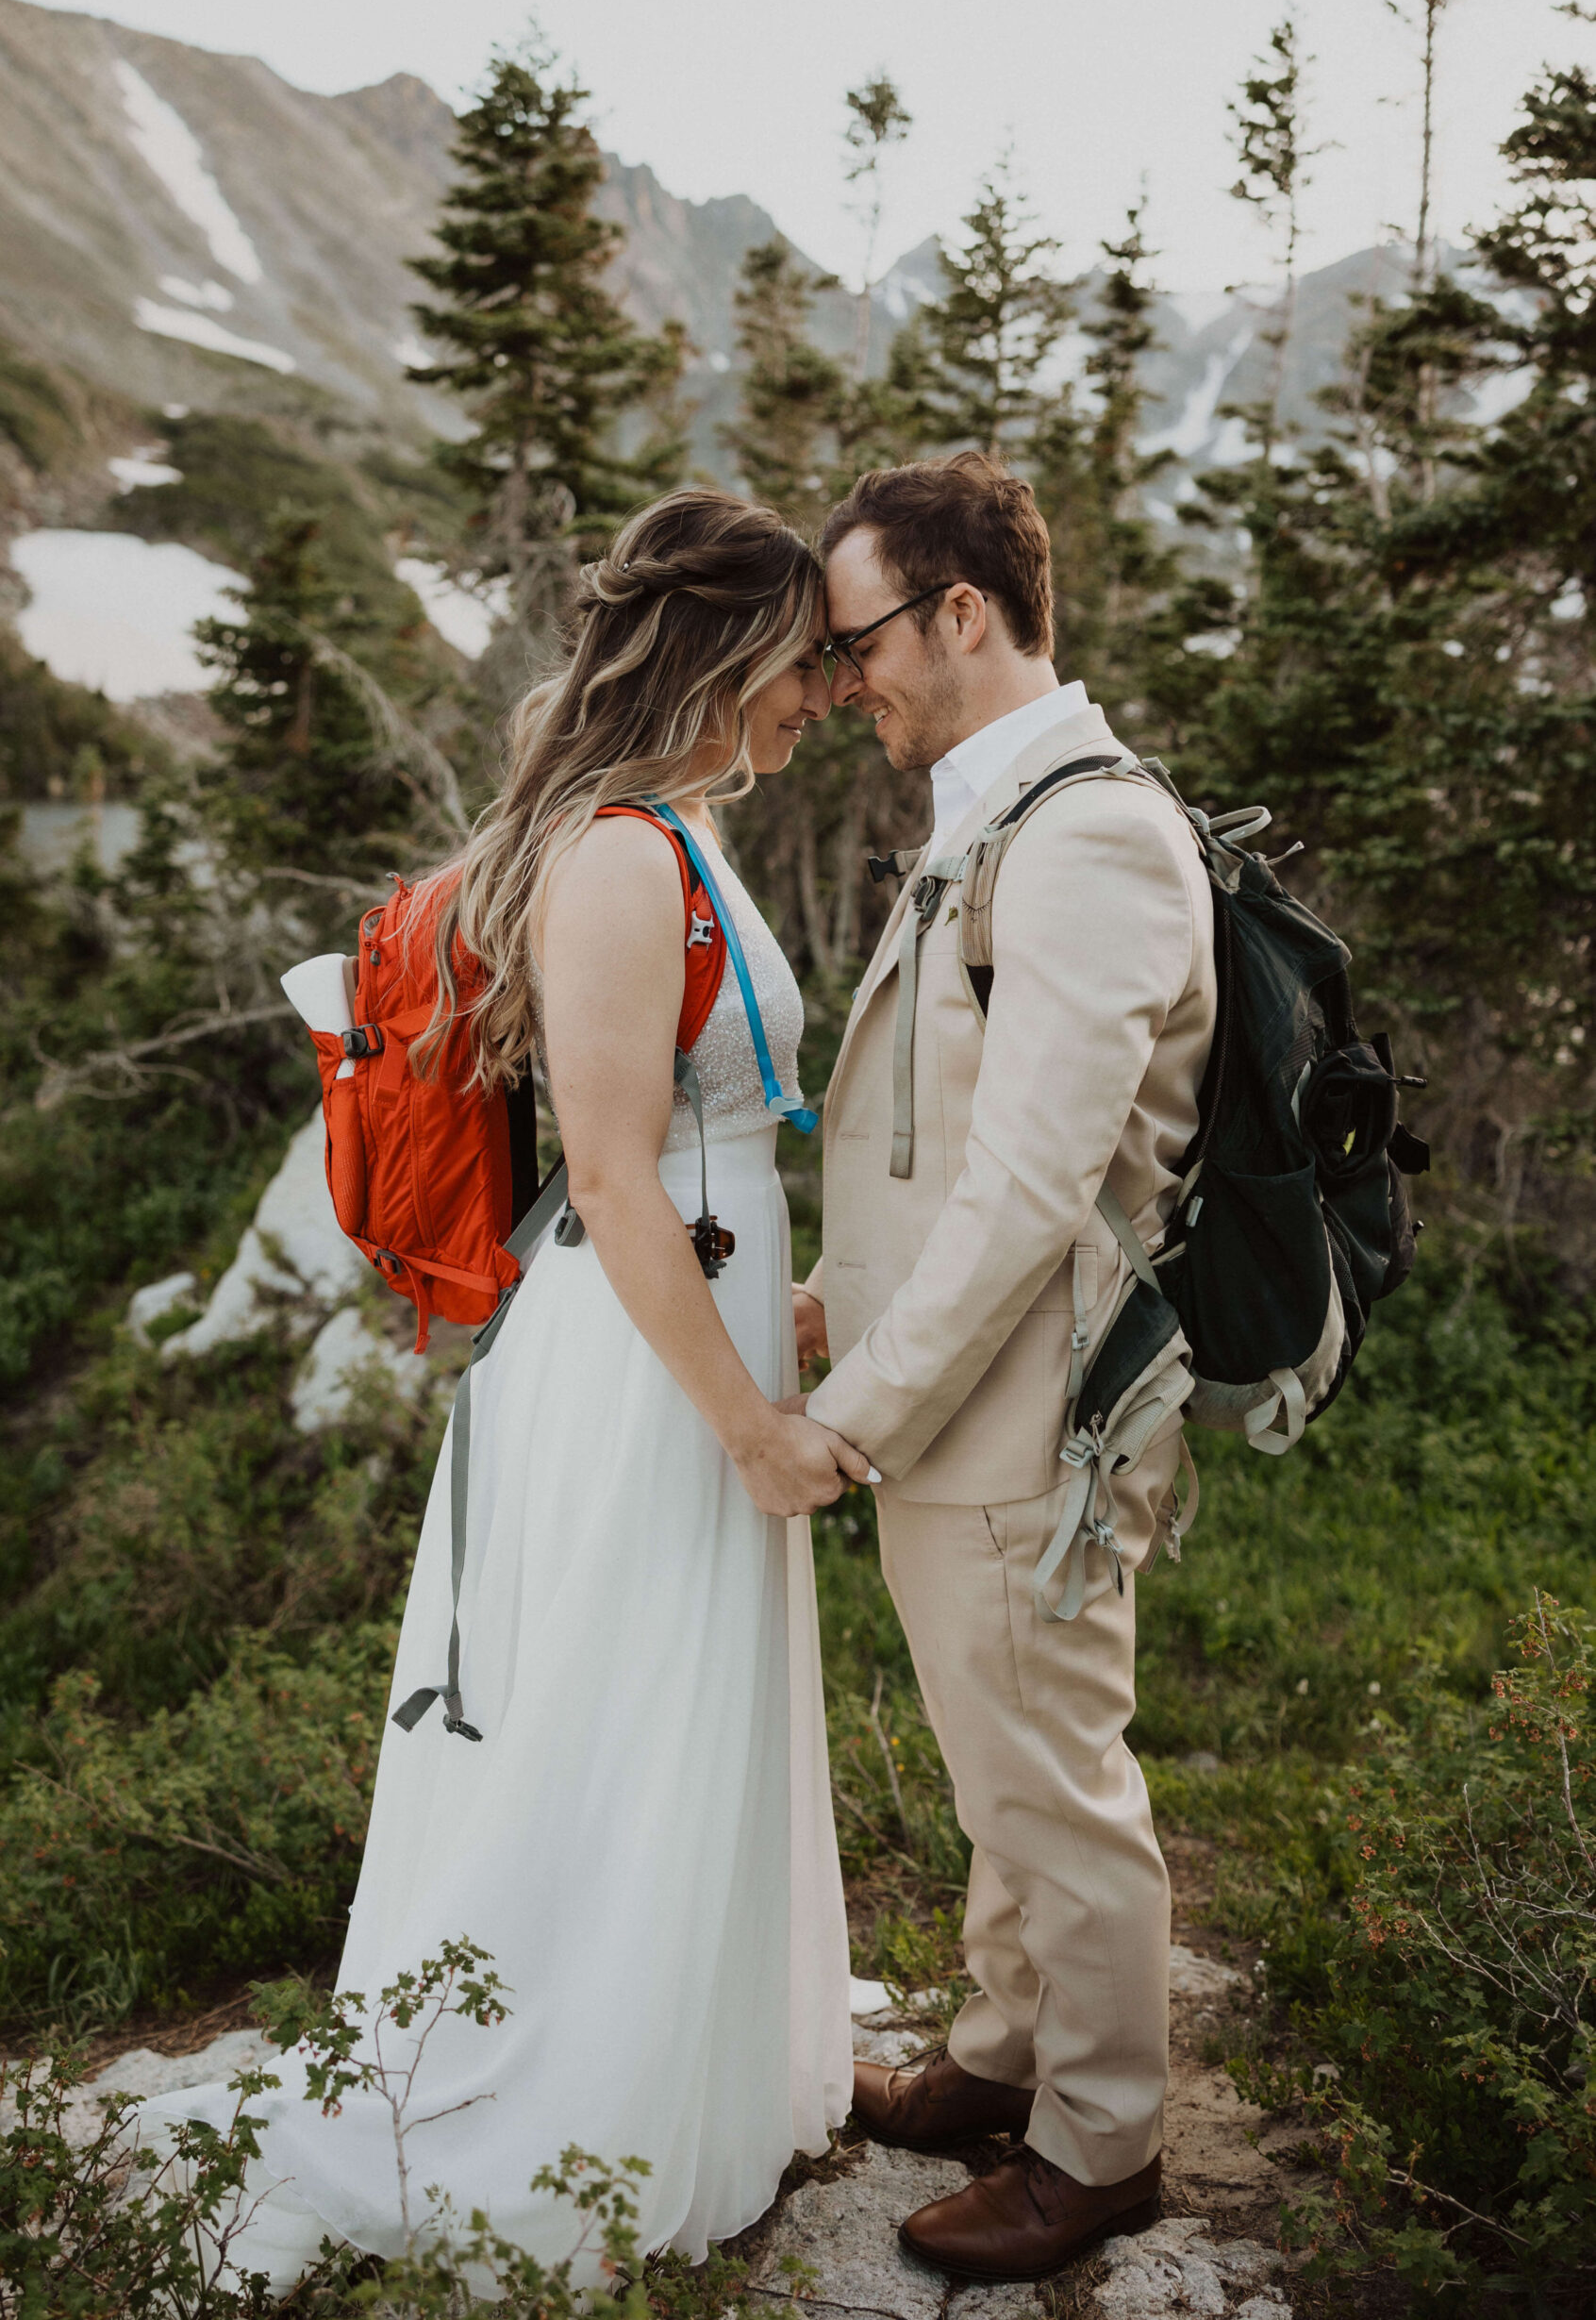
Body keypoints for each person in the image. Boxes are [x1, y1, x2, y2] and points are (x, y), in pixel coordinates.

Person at [139, 491, 861, 2293]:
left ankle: (674, 2061)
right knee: (614, 1711)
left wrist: (803, 1309)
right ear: (727, 653)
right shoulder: (620, 855)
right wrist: (754, 1421)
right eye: (806, 663)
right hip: (641, 1370)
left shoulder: (677, 829)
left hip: (697, 1327)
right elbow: (615, 1176)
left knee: (669, 1704)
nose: (826, 696)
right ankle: (556, 2096)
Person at [790, 452, 1217, 2281]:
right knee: (998, 1764)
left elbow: (1040, 1185)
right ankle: (999, 2052)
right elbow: (934, 1133)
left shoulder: (1096, 834)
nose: (837, 678)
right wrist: (832, 1293)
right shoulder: (996, 812)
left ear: (964, 613)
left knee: (1057, 1774)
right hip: (957, 1392)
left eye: (857, 636)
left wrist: (850, 1409)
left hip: (1029, 1411)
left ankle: (1104, 2142)